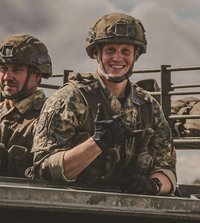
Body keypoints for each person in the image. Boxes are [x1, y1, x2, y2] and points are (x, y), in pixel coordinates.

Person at [29, 12, 176, 195]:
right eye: (110, 50)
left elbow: (167, 169)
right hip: (71, 207)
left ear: (135, 55)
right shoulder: (68, 99)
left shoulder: (148, 107)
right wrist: (96, 144)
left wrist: (154, 184)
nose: (117, 58)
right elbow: (43, 169)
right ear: (96, 53)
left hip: (132, 209)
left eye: (125, 51)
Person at [0, 33, 52, 177]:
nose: (7, 77)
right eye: (3, 68)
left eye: (17, 70)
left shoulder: (49, 116)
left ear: (37, 75)